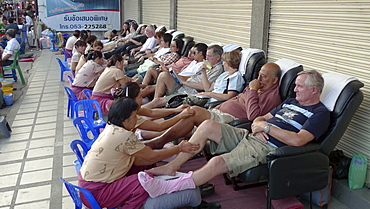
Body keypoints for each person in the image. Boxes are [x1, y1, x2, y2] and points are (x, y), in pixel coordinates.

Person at [138, 70, 331, 199]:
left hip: (267, 147)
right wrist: (258, 124)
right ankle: (172, 167)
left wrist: (267, 128)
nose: (295, 89)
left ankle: (172, 187)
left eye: (300, 86)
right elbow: (260, 117)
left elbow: (298, 140)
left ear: (314, 90)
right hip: (251, 134)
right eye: (295, 85)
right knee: (206, 125)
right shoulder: (291, 102)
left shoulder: (320, 114)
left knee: (216, 162)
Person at [78, 98, 200, 209]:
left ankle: (160, 181)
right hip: (96, 193)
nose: (137, 119)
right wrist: (179, 148)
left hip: (87, 189)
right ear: (125, 120)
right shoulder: (123, 135)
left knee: (143, 166)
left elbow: (143, 156)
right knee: (143, 181)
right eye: (135, 117)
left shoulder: (112, 127)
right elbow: (153, 156)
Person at [145, 62, 282, 149]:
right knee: (187, 122)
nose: (258, 79)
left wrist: (252, 90)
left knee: (192, 112)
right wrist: (217, 107)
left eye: (263, 76)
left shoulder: (272, 96)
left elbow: (253, 116)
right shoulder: (259, 87)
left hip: (231, 120)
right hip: (220, 113)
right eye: (258, 75)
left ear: (275, 80)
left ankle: (157, 141)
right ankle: (150, 136)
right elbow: (236, 98)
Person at [143, 43, 225, 109]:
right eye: (206, 55)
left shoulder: (217, 69)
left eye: (209, 56)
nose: (206, 58)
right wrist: (178, 76)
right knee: (164, 75)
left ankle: (138, 111)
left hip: (190, 92)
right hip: (184, 86)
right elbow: (192, 77)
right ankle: (155, 102)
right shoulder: (207, 64)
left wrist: (184, 82)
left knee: (156, 99)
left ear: (217, 57)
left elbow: (204, 87)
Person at [114, 82, 201, 135]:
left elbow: (151, 112)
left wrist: (175, 110)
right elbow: (159, 127)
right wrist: (180, 116)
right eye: (140, 97)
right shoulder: (130, 116)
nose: (142, 99)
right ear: (132, 100)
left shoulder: (128, 105)